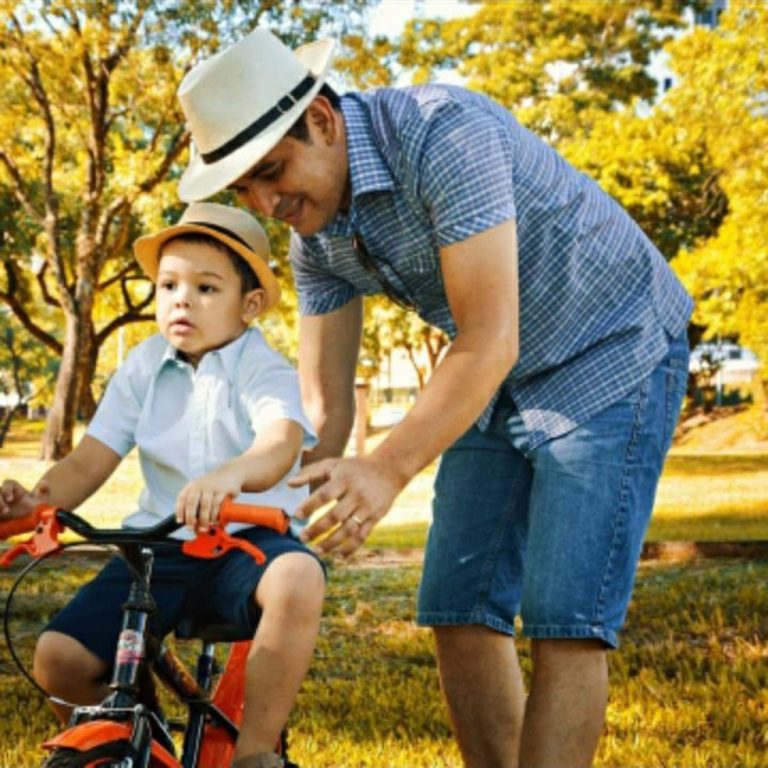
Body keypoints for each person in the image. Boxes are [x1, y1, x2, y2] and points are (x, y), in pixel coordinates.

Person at [174, 28, 692, 768]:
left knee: (562, 621)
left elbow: (488, 337)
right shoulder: (315, 237)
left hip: (610, 344)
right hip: (497, 377)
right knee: (459, 604)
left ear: (321, 120)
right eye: (243, 189)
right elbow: (325, 416)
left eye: (273, 170)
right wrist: (254, 480)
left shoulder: (443, 134)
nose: (265, 201)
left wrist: (385, 469)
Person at [0, 202, 325, 768]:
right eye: (168, 284)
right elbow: (89, 460)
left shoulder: (261, 367)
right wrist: (35, 503)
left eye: (205, 287)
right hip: (159, 548)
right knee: (58, 658)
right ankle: (135, 747)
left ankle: (253, 754)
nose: (181, 299)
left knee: (299, 575)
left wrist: (233, 475)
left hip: (247, 542)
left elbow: (279, 444)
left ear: (249, 305)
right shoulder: (143, 365)